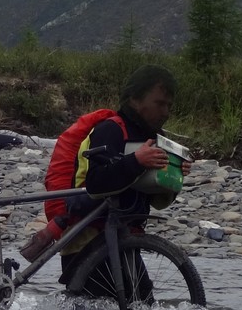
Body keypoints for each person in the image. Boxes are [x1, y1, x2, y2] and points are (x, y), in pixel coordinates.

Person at [60, 64, 186, 288]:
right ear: (135, 100)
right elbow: (96, 183)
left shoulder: (157, 138)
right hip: (88, 239)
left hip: (124, 239)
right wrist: (136, 161)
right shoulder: (110, 130)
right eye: (159, 103)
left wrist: (174, 176)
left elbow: (157, 202)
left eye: (169, 105)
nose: (165, 112)